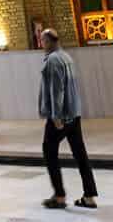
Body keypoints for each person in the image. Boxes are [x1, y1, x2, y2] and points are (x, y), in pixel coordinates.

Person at [39, 29, 96, 210]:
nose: (41, 44)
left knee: (49, 151)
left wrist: (56, 116)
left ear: (49, 42)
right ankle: (89, 196)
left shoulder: (53, 60)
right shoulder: (66, 57)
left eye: (42, 41)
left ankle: (59, 196)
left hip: (61, 116)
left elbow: (57, 90)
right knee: (80, 154)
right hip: (74, 113)